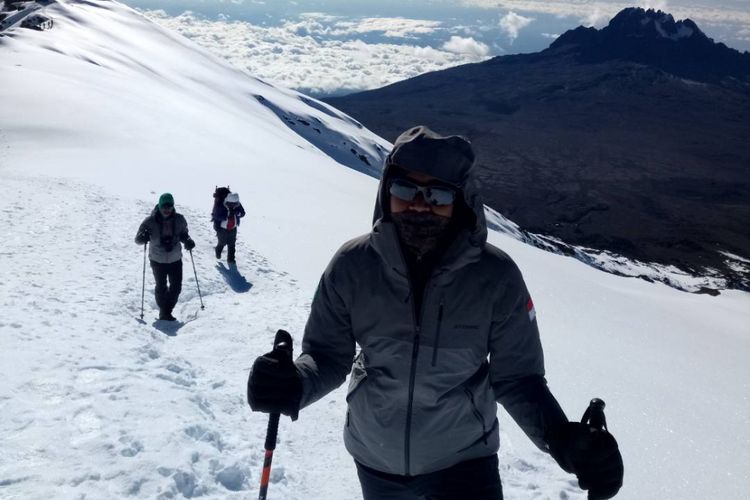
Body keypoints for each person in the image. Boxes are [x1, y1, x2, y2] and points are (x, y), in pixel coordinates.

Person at [247, 126, 623, 499]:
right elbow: (327, 354)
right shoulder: (353, 266)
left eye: (438, 195)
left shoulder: (495, 277)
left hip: (465, 462)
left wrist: (561, 438)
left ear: (460, 203)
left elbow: (518, 378)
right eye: (405, 189)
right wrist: (295, 383)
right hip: (377, 460)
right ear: (386, 191)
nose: (419, 205)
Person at [135, 193, 195, 321]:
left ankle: (167, 310)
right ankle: (164, 312)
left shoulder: (180, 219)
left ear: (173, 206)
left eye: (170, 206)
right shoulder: (149, 221)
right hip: (157, 260)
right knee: (161, 286)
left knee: (176, 287)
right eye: (164, 206)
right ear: (160, 206)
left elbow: (184, 234)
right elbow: (138, 240)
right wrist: (142, 237)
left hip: (175, 259)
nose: (167, 209)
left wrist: (188, 240)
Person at [212, 191, 245, 264]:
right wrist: (227, 215)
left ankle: (231, 259)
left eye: (235, 204)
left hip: (233, 228)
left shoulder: (237, 205)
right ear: (227, 201)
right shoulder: (221, 206)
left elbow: (243, 213)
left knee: (232, 244)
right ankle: (218, 251)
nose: (233, 206)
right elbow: (216, 216)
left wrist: (237, 213)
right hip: (222, 229)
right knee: (222, 242)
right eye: (231, 204)